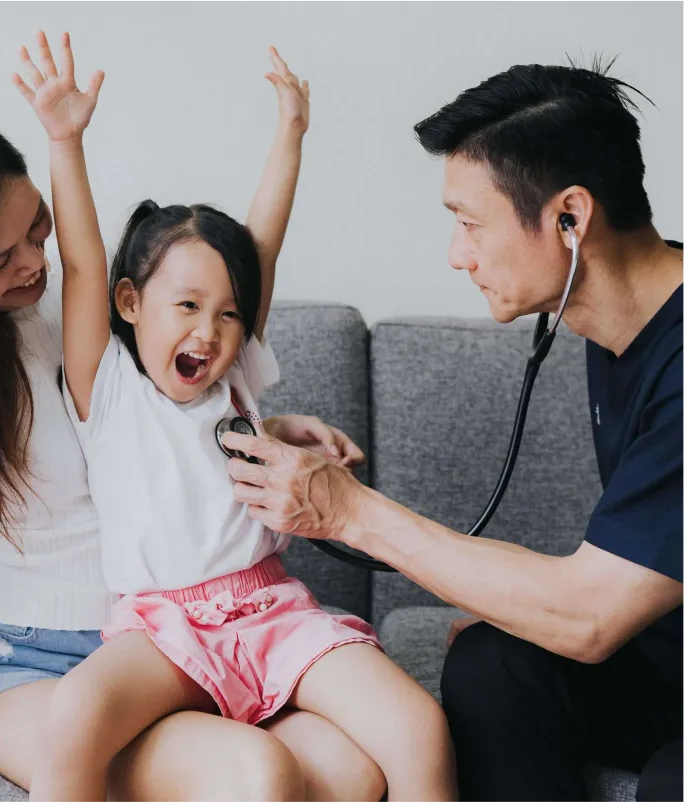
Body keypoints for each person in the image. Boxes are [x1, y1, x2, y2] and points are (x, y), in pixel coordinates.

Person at [0, 68, 387, 802]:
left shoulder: (79, 331)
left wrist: (261, 433)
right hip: (29, 665)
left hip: (161, 649)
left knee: (356, 776)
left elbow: (154, 428)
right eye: (0, 260)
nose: (35, 263)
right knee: (260, 775)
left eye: (36, 229)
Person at [222, 61, 684, 801]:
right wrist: (509, 602)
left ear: (571, 218)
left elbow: (591, 615)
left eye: (470, 224)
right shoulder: (618, 328)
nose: (457, 254)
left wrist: (348, 509)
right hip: (667, 662)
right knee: (494, 664)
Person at [13, 32, 456, 802]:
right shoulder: (108, 385)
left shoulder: (236, 377)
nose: (209, 332)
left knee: (414, 729)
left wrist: (290, 132)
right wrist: (64, 141)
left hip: (271, 610)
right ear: (129, 304)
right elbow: (83, 260)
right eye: (185, 306)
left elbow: (264, 242)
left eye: (227, 315)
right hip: (163, 631)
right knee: (77, 710)